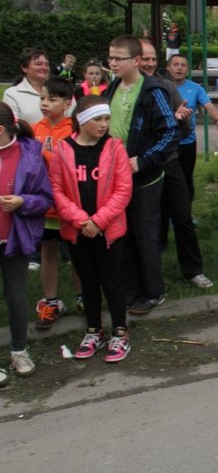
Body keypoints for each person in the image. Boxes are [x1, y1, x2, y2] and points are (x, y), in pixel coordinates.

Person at [48, 96, 134, 362]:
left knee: (112, 282)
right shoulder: (62, 150)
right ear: (83, 120)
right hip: (78, 231)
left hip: (108, 231)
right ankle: (94, 330)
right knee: (88, 283)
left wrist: (98, 221)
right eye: (98, 119)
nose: (104, 124)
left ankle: (120, 332)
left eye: (107, 119)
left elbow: (123, 189)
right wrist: (80, 220)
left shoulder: (114, 148)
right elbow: (57, 190)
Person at [103, 35, 179, 314]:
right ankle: (129, 289)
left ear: (135, 61)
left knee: (145, 234)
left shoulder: (152, 91)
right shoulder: (111, 89)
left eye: (117, 58)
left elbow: (170, 130)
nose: (112, 63)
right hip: (116, 177)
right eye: (110, 57)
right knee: (122, 234)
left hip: (145, 177)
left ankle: (152, 292)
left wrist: (144, 160)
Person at [138, 40, 211, 290]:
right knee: (149, 221)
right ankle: (149, 273)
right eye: (144, 59)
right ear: (134, 59)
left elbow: (185, 127)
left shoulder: (166, 87)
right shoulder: (124, 89)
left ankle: (193, 270)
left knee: (182, 216)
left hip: (169, 163)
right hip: (139, 167)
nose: (148, 63)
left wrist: (180, 118)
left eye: (152, 59)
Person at [0, 102, 53, 381]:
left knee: (17, 297)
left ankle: (19, 351)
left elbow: (45, 199)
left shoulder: (29, 156)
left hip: (13, 239)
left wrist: (23, 201)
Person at [33, 77, 83, 329]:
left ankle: (83, 297)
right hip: (44, 208)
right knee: (47, 252)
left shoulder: (74, 130)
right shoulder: (34, 129)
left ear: (67, 103)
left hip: (69, 206)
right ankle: (51, 301)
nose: (45, 104)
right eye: (42, 98)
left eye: (51, 99)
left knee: (76, 252)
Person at [167, 53, 218, 201]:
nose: (179, 68)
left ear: (187, 70)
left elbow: (208, 106)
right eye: (176, 64)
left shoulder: (195, 88)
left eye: (183, 65)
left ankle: (186, 215)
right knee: (167, 181)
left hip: (187, 142)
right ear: (168, 68)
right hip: (167, 143)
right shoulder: (162, 86)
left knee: (186, 179)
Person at [5, 48, 52, 125]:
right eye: (39, 64)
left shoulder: (61, 90)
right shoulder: (12, 94)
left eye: (47, 64)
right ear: (24, 68)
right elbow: (12, 125)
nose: (44, 67)